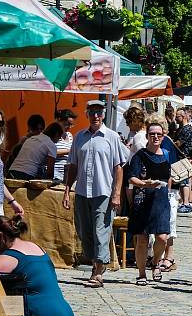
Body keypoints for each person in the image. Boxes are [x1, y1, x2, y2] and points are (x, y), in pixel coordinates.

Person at [63, 99, 126, 289]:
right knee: (85, 231)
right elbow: (72, 165)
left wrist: (116, 194)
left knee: (101, 230)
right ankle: (95, 264)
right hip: (82, 191)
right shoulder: (80, 137)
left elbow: (119, 168)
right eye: (92, 112)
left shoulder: (111, 137)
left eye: (99, 112)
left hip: (103, 191)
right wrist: (67, 190)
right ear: (86, 114)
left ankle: (98, 271)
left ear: (104, 114)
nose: (96, 116)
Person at [126, 121, 172, 285]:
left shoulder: (166, 154)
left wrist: (169, 194)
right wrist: (145, 184)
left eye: (158, 134)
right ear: (147, 136)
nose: (155, 137)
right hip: (143, 199)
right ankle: (141, 274)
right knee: (142, 239)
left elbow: (169, 177)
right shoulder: (140, 155)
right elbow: (131, 177)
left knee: (162, 238)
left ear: (163, 136)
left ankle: (155, 263)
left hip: (161, 201)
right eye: (152, 134)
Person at [172, 107, 192, 213]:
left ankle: (185, 203)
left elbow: (178, 143)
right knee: (182, 181)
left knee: (184, 181)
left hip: (185, 157)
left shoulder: (186, 129)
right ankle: (183, 202)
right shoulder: (181, 129)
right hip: (182, 157)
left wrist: (170, 142)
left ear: (184, 117)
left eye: (178, 117)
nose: (176, 119)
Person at [52, 109, 77, 183]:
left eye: (71, 124)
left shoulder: (69, 135)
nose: (69, 127)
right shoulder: (52, 135)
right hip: (55, 175)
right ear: (59, 120)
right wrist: (68, 151)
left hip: (67, 175)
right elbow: (48, 152)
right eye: (67, 124)